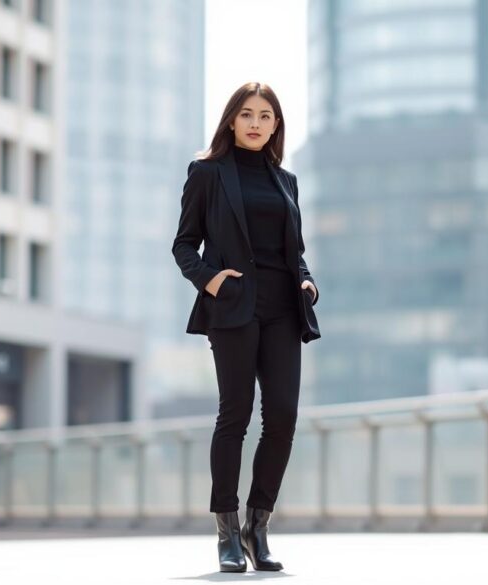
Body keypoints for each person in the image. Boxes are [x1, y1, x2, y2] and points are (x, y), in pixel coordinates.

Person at [172, 81, 321, 573]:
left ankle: (260, 526)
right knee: (234, 415)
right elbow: (184, 245)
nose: (256, 123)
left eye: (266, 116)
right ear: (231, 120)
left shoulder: (287, 180)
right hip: (234, 306)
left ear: (276, 125)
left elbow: (293, 252)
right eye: (247, 114)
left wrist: (306, 281)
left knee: (282, 417)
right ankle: (227, 532)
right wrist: (210, 280)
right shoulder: (208, 173)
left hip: (283, 308)